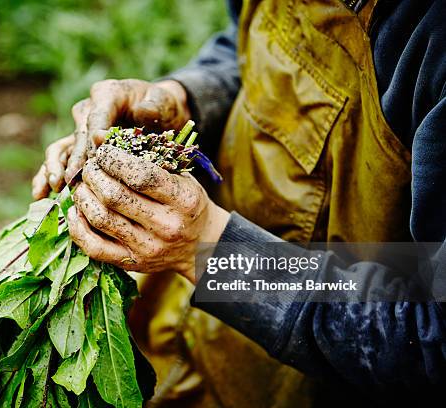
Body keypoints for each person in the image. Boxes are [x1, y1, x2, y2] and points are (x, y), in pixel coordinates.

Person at [33, 0, 446, 406]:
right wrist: (185, 100)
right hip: (199, 321)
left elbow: (434, 345)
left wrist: (214, 251)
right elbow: (251, 48)